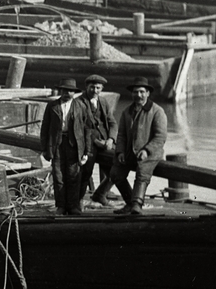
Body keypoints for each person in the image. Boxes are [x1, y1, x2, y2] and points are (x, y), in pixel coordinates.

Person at [110, 76, 169, 215]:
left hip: (150, 153)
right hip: (131, 151)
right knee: (115, 173)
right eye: (135, 92)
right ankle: (130, 203)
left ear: (148, 93)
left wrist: (147, 150)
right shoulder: (126, 112)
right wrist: (120, 152)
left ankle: (137, 205)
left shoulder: (157, 111)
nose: (139, 95)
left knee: (142, 173)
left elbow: (160, 137)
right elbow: (121, 135)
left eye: (142, 92)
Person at [39, 78, 84, 215]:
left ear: (74, 92)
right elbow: (45, 128)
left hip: (74, 145)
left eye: (70, 91)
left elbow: (87, 129)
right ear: (60, 91)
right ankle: (61, 206)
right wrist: (45, 148)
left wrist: (86, 150)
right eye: (64, 90)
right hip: (57, 144)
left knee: (73, 176)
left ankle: (73, 206)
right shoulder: (52, 106)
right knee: (58, 176)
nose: (67, 93)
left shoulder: (80, 106)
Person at [76, 74, 118, 206]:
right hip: (88, 144)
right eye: (92, 87)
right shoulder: (78, 103)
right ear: (86, 87)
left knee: (116, 171)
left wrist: (111, 139)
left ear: (102, 88)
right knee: (85, 173)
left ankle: (100, 194)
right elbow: (79, 127)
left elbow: (112, 123)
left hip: (105, 143)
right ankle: (77, 202)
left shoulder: (103, 102)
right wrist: (95, 141)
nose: (95, 91)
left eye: (98, 88)